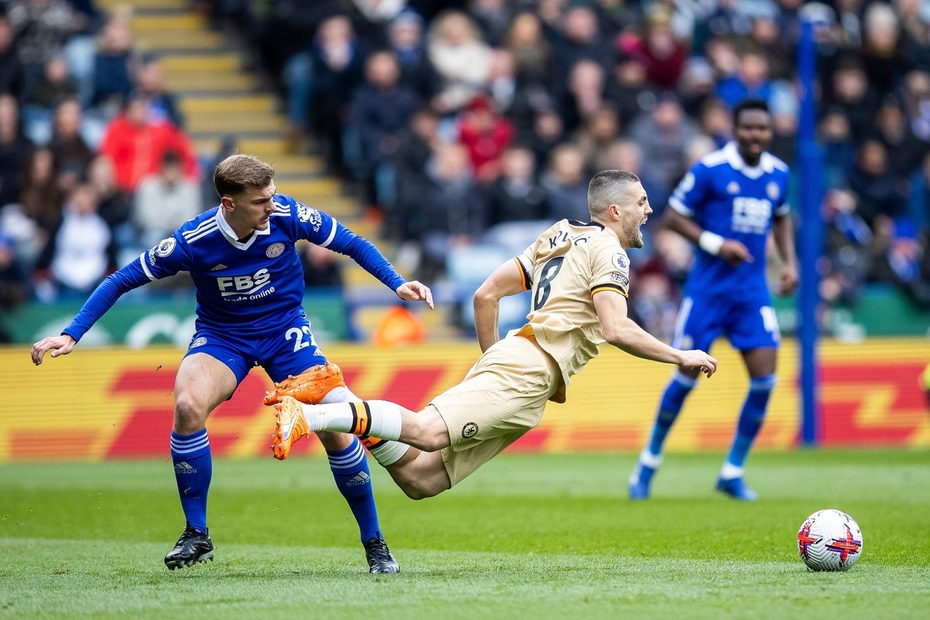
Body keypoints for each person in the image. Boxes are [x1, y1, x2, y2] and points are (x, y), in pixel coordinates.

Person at [31, 154, 434, 573]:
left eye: (272, 196)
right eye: (261, 201)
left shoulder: (287, 213)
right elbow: (121, 279)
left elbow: (351, 242)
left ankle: (375, 543)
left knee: (336, 425)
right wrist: (71, 333)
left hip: (286, 334)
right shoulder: (193, 240)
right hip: (224, 338)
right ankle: (196, 533)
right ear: (229, 203)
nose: (271, 207)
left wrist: (396, 282)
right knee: (188, 405)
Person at [265, 170, 717, 499]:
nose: (650, 209)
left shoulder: (558, 235)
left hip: (524, 373)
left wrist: (493, 358)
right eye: (642, 202)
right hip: (527, 369)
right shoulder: (612, 253)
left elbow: (486, 295)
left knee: (421, 480)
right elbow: (616, 328)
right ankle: (315, 413)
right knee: (424, 432)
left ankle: (337, 402)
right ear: (616, 210)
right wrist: (679, 356)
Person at [627, 98, 798, 502]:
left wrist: (789, 263)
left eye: (763, 129)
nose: (756, 135)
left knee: (765, 380)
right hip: (707, 293)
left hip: (751, 293)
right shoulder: (710, 170)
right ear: (734, 130)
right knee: (684, 378)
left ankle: (732, 471)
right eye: (748, 128)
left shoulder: (779, 174)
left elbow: (782, 216)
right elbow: (671, 216)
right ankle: (648, 462)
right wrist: (715, 243)